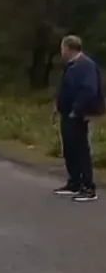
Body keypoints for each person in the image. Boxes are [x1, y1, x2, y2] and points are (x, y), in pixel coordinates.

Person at [54, 35, 103, 202]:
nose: (61, 52)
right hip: (67, 113)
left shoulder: (85, 66)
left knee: (81, 149)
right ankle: (74, 182)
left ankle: (88, 187)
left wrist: (77, 109)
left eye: (62, 48)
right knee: (70, 148)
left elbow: (89, 90)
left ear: (69, 48)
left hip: (80, 115)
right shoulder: (71, 66)